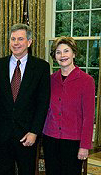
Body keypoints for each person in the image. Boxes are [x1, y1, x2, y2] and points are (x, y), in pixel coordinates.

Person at [0, 23, 50, 175]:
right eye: (13, 39)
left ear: (29, 42)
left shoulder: (41, 67)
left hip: (27, 136)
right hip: (2, 134)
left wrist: (34, 131)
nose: (16, 43)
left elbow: (43, 103)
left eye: (20, 39)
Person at [43, 36, 95, 175]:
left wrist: (84, 146)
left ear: (74, 53)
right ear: (54, 56)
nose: (62, 55)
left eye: (66, 51)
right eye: (58, 52)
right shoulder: (50, 80)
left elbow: (89, 117)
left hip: (73, 141)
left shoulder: (86, 81)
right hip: (50, 138)